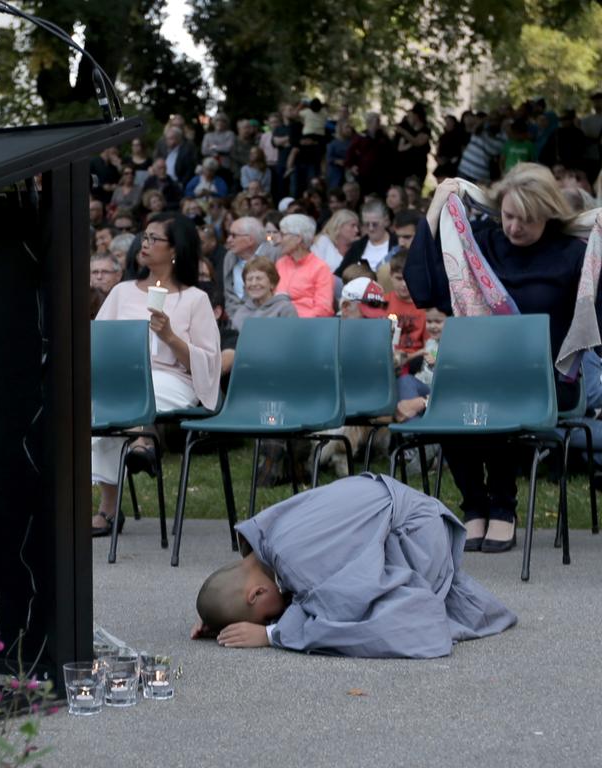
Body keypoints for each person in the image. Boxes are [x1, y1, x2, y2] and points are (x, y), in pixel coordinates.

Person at [406, 163, 599, 552]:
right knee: (453, 401)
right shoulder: (480, 243)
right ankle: (475, 504)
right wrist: (434, 211)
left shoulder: (571, 255)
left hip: (547, 381)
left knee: (491, 399)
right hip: (479, 374)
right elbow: (424, 290)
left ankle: (503, 506)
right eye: (509, 216)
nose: (514, 228)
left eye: (527, 220)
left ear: (548, 213)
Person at [190, 474, 517, 657]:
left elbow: (336, 606)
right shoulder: (266, 532)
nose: (275, 615)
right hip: (406, 509)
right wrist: (217, 617)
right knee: (319, 605)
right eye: (271, 620)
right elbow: (246, 591)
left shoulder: (298, 563)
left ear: (256, 593)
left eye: (267, 614)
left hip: (420, 536)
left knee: (367, 621)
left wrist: (272, 634)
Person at [91, 213, 221, 536]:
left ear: (174, 250)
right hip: (122, 381)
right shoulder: (122, 293)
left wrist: (171, 338)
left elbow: (208, 360)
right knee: (101, 401)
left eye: (153, 239)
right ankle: (138, 443)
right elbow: (98, 344)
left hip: (173, 380)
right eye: (144, 237)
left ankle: (138, 442)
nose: (144, 243)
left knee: (115, 401)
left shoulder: (195, 299)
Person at [274, 214, 334, 318]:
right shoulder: (280, 263)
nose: (279, 240)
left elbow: (324, 308)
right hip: (277, 322)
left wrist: (296, 319)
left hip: (306, 326)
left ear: (298, 239)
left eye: (283, 235)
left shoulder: (320, 268)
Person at [230, 257, 297, 330]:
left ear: (272, 283)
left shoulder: (285, 309)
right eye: (249, 279)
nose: (254, 283)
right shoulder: (241, 313)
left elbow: (292, 337)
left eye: (259, 278)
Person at [311, 209, 360, 273]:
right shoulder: (323, 241)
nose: (357, 230)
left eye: (357, 226)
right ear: (339, 226)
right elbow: (313, 268)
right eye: (352, 226)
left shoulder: (358, 246)